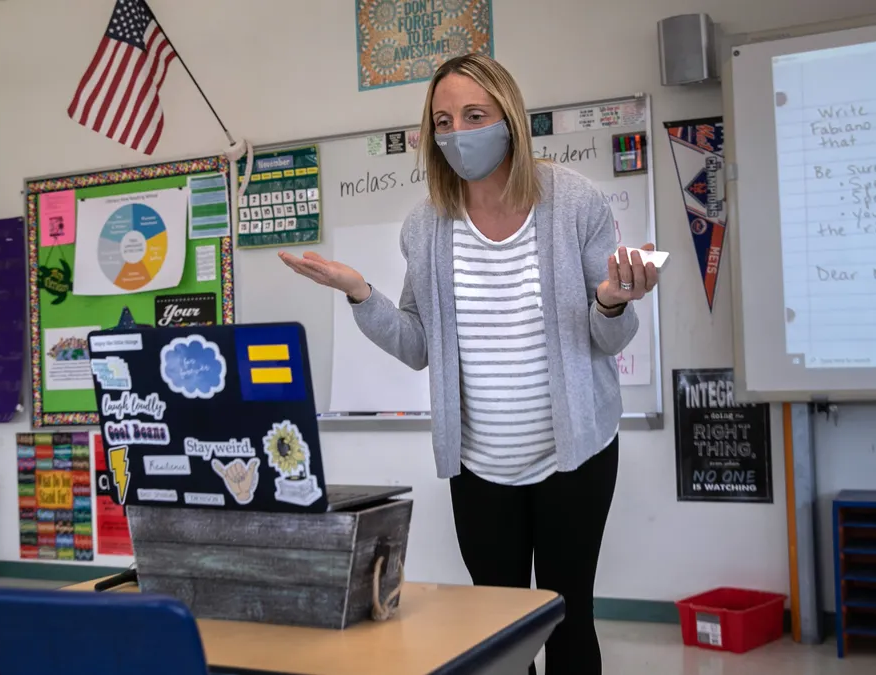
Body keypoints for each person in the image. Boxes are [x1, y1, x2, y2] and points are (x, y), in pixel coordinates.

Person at [279, 53, 658, 675]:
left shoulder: (575, 203)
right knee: (497, 628)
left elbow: (605, 338)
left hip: (576, 458)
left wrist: (612, 302)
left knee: (568, 617)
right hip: (479, 466)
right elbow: (417, 344)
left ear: (508, 115)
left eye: (474, 115)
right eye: (444, 120)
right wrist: (358, 293)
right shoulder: (425, 225)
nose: (457, 132)